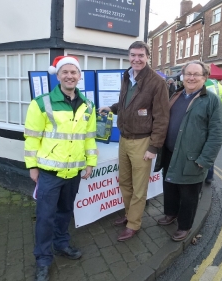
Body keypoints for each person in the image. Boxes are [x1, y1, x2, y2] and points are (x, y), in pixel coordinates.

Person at [24, 56, 97, 281]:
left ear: (79, 76)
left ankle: (61, 244)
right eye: (65, 72)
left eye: (73, 72)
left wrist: (90, 162)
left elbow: (89, 138)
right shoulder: (41, 103)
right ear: (57, 75)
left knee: (65, 212)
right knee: (45, 217)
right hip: (49, 173)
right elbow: (31, 138)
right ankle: (43, 259)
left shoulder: (88, 105)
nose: (69, 76)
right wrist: (32, 167)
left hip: (73, 172)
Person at [98, 41, 169, 242]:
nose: (136, 59)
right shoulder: (127, 75)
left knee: (139, 188)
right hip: (124, 138)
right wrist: (111, 109)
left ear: (148, 57)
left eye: (140, 55)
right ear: (128, 56)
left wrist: (154, 147)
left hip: (142, 142)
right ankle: (130, 214)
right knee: (125, 182)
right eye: (133, 55)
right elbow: (125, 102)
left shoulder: (157, 82)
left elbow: (162, 118)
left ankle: (134, 224)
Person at [155, 61, 222, 241]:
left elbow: (217, 134)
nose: (191, 78)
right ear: (182, 76)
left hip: (193, 157)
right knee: (169, 185)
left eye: (196, 74)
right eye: (188, 74)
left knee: (189, 194)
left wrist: (205, 160)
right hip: (171, 152)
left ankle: (185, 226)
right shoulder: (177, 95)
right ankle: (171, 213)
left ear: (204, 78)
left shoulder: (212, 101)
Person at [203, 79, 222, 184]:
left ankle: (206, 175)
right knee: (210, 148)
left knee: (206, 147)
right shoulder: (214, 83)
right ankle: (209, 176)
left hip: (206, 119)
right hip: (215, 119)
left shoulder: (198, 83)